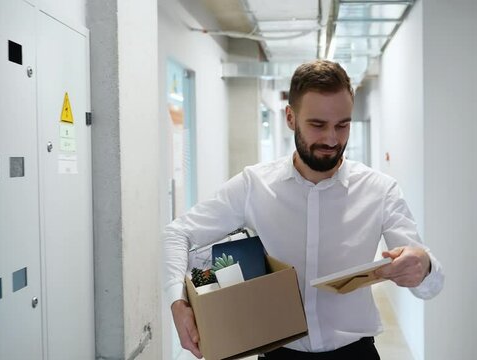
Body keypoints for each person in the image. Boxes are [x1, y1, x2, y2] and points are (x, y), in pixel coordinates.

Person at [163, 59, 444, 359]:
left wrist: (423, 266)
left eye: (343, 125)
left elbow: (429, 287)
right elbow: (176, 234)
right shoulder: (253, 186)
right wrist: (178, 304)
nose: (332, 139)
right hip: (279, 352)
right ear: (290, 118)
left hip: (356, 353)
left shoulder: (380, 190)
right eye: (318, 125)